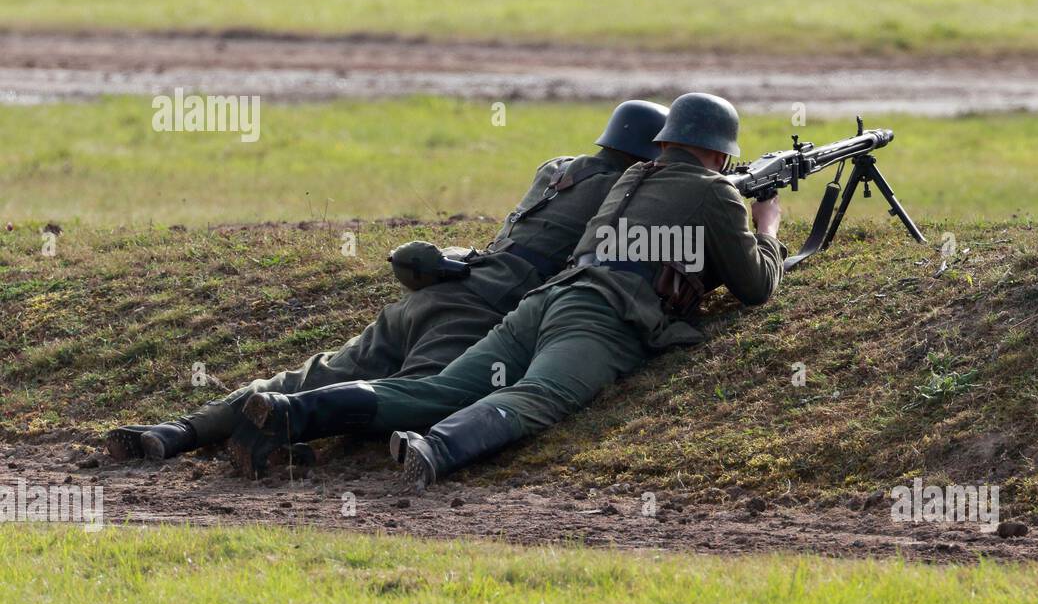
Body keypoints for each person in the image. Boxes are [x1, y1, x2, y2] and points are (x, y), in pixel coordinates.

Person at [229, 92, 784, 487]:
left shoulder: (630, 178)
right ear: (720, 154)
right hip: (602, 318)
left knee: (442, 389)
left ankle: (289, 409)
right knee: (539, 395)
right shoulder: (717, 195)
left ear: (664, 143)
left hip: (547, 301)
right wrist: (767, 228)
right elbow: (756, 287)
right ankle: (437, 449)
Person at [107, 100, 670, 473]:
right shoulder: (626, 188)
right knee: (420, 397)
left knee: (322, 369)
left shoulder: (556, 169)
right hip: (481, 309)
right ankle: (282, 424)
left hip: (437, 291)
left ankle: (177, 431)